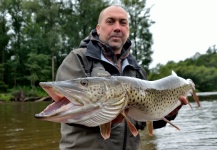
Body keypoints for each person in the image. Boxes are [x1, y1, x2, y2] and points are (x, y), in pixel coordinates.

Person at [56, 5, 183, 150]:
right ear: (98, 28)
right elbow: (68, 109)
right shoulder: (78, 58)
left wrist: (169, 113)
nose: (117, 27)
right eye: (110, 21)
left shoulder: (137, 69)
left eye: (123, 23)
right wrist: (110, 117)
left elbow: (142, 120)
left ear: (128, 29)